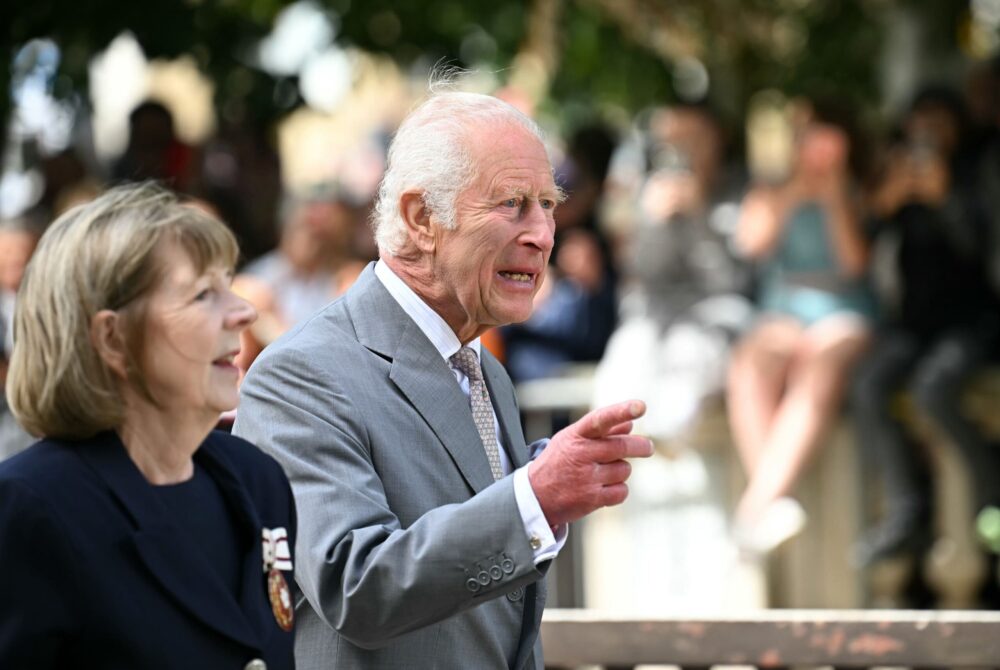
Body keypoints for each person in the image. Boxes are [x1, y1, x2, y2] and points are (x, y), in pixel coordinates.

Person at [234, 88, 652, 670]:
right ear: (420, 218)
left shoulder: (486, 371)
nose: (542, 235)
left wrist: (539, 491)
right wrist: (535, 497)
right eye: (512, 204)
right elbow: (357, 587)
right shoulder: (300, 376)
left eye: (548, 205)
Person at [0, 184, 297, 669]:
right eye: (204, 294)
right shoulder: (31, 509)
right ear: (112, 337)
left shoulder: (257, 479)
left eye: (229, 284)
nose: (243, 312)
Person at [853, 89, 1000, 584]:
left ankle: (990, 503)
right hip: (913, 325)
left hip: (973, 323)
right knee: (869, 387)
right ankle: (908, 510)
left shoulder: (980, 171)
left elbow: (985, 254)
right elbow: (863, 242)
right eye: (920, 124)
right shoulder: (899, 173)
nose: (928, 136)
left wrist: (946, 198)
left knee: (934, 392)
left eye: (939, 124)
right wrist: (888, 199)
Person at [726, 101, 875, 554]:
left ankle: (756, 507)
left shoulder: (857, 189)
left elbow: (853, 264)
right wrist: (793, 193)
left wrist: (831, 199)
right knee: (750, 363)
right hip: (784, 306)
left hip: (842, 307)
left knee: (821, 367)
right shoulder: (770, 189)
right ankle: (773, 502)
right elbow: (751, 244)